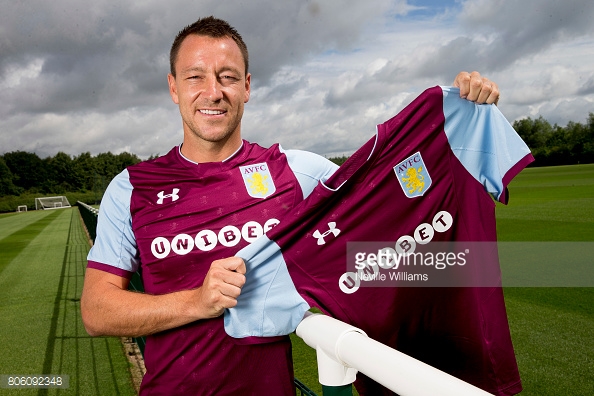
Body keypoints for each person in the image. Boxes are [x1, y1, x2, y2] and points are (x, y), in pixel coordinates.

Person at [80, 16, 501, 395]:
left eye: (227, 76)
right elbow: (97, 311)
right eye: (195, 77)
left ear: (247, 86)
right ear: (174, 87)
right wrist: (198, 301)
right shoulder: (133, 188)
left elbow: (388, 193)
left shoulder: (294, 172)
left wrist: (460, 117)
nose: (213, 92)